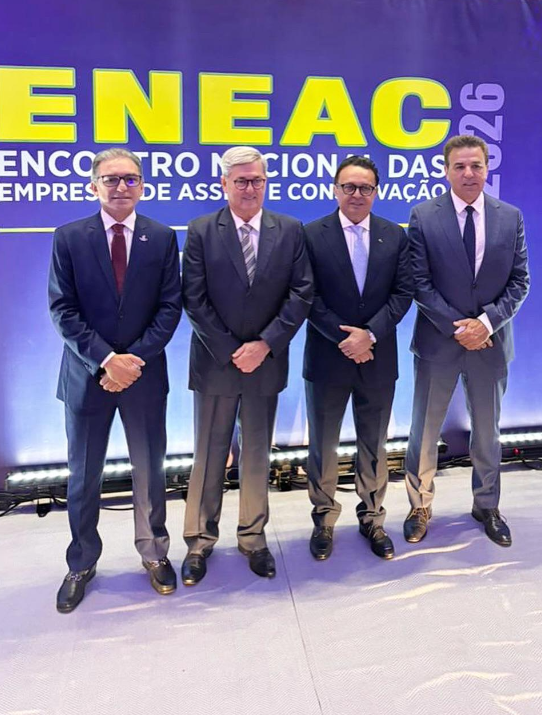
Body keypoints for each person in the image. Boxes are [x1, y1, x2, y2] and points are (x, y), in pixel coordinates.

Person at [49, 148, 182, 612]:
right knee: (84, 475)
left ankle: (154, 553)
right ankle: (81, 562)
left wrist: (132, 361)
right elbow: (62, 309)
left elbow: (170, 307)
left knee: (150, 470)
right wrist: (107, 360)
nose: (121, 186)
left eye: (130, 178)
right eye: (111, 179)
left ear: (142, 185)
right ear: (94, 186)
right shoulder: (69, 237)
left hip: (144, 376)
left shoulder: (161, 237)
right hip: (87, 377)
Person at [181, 146, 313, 584]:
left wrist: (264, 345)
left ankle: (253, 539)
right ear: (224, 184)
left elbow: (301, 293)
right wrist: (231, 350)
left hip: (265, 363)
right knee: (209, 456)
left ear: (265, 182)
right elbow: (194, 298)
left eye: (257, 180)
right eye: (241, 181)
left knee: (257, 455)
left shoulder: (289, 230)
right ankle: (199, 541)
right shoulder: (201, 230)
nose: (250, 188)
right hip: (216, 362)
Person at [404, 135, 530, 546]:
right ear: (446, 171)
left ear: (487, 168)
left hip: (489, 346)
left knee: (488, 432)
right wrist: (460, 327)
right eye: (459, 166)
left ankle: (487, 505)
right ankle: (419, 506)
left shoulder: (510, 217)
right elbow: (418, 281)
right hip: (438, 342)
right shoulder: (423, 216)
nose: (468, 173)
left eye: (476, 165)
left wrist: (486, 324)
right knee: (424, 431)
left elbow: (520, 281)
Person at [303, 156, 413, 561]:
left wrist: (370, 335)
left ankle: (372, 518)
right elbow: (306, 295)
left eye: (365, 187)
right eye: (348, 186)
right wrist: (345, 338)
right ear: (335, 190)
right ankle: (324, 519)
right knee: (323, 445)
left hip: (377, 358)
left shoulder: (394, 235)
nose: (356, 194)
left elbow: (403, 292)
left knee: (374, 444)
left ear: (376, 192)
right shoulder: (311, 235)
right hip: (327, 357)